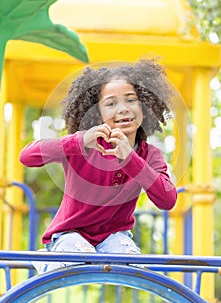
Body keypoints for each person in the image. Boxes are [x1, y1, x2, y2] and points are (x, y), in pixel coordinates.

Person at [19, 58, 177, 274]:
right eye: (111, 104)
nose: (122, 109)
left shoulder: (150, 156)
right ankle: (50, 259)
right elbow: (27, 156)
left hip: (114, 238)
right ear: (98, 113)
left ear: (144, 106)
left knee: (133, 267)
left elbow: (167, 200)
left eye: (131, 100)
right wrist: (79, 141)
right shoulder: (82, 145)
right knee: (82, 257)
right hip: (70, 233)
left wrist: (131, 160)